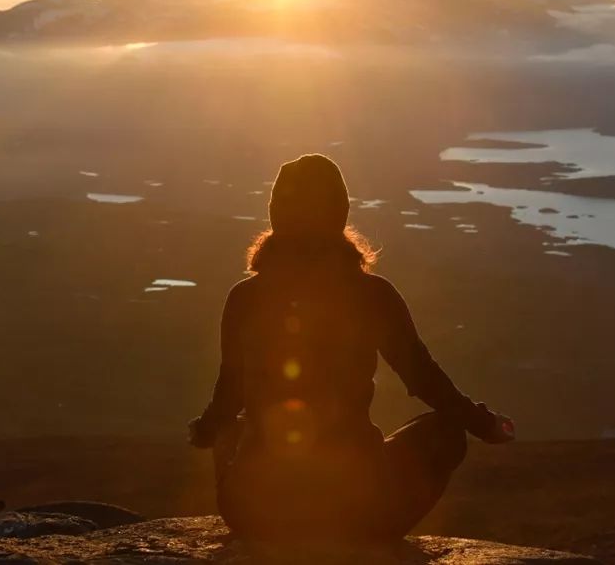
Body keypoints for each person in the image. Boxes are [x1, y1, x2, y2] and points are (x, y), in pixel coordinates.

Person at [189, 154, 514, 543]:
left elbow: (228, 396)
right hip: (355, 508)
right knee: (445, 433)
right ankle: (372, 535)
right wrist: (483, 423)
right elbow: (424, 379)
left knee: (236, 428)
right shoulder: (373, 295)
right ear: (340, 213)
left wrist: (205, 430)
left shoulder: (245, 297)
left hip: (254, 514)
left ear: (277, 215)